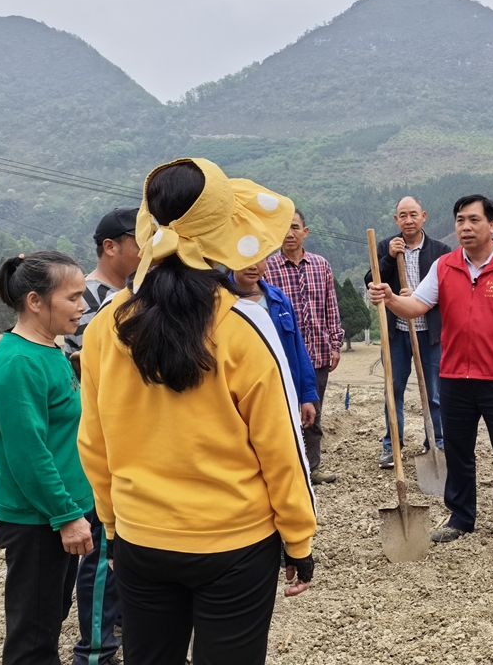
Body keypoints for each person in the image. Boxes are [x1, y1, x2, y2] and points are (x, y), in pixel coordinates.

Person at [78, 158, 316, 665]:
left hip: (141, 539)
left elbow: (93, 442)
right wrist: (299, 539)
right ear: (225, 229)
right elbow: (281, 446)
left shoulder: (104, 328)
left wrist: (113, 527)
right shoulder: (244, 327)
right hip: (236, 545)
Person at [367, 194, 493, 566]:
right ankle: (461, 516)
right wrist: (389, 298)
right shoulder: (445, 266)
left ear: (491, 225)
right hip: (454, 377)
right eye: (460, 220)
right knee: (458, 453)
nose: (465, 227)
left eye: (474, 220)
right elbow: (417, 306)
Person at [0, 251, 94, 665]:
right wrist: (66, 516)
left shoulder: (49, 351)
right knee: (33, 637)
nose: (83, 306)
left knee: (48, 619)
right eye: (73, 297)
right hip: (38, 520)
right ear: (34, 301)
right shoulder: (17, 364)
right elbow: (28, 454)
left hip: (57, 511)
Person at [62, 206, 139, 665]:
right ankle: (94, 649)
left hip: (127, 439)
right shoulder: (91, 302)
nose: (143, 246)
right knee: (102, 545)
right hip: (101, 441)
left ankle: (121, 618)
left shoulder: (130, 295)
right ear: (110, 246)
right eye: (135, 238)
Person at [363, 195, 452, 468]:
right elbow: (371, 281)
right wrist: (389, 258)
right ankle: (392, 446)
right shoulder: (385, 247)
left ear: (424, 216)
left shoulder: (441, 250)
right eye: (402, 215)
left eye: (413, 214)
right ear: (396, 219)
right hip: (396, 333)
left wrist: (420, 297)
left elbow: (450, 289)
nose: (408, 220)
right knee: (393, 391)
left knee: (435, 393)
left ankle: (436, 442)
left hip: (431, 334)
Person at [264, 209, 344, 485]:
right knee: (280, 411)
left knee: (314, 413)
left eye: (295, 227)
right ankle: (286, 467)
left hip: (318, 353)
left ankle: (313, 467)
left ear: (305, 232)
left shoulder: (320, 265)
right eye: (284, 228)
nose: (289, 233)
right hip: (282, 356)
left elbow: (331, 306)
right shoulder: (268, 268)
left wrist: (336, 343)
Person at [231, 259, 320, 429]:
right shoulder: (217, 299)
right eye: (246, 259)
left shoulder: (278, 299)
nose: (252, 266)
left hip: (281, 393)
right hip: (238, 397)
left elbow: (297, 348)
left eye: (259, 259)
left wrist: (307, 396)